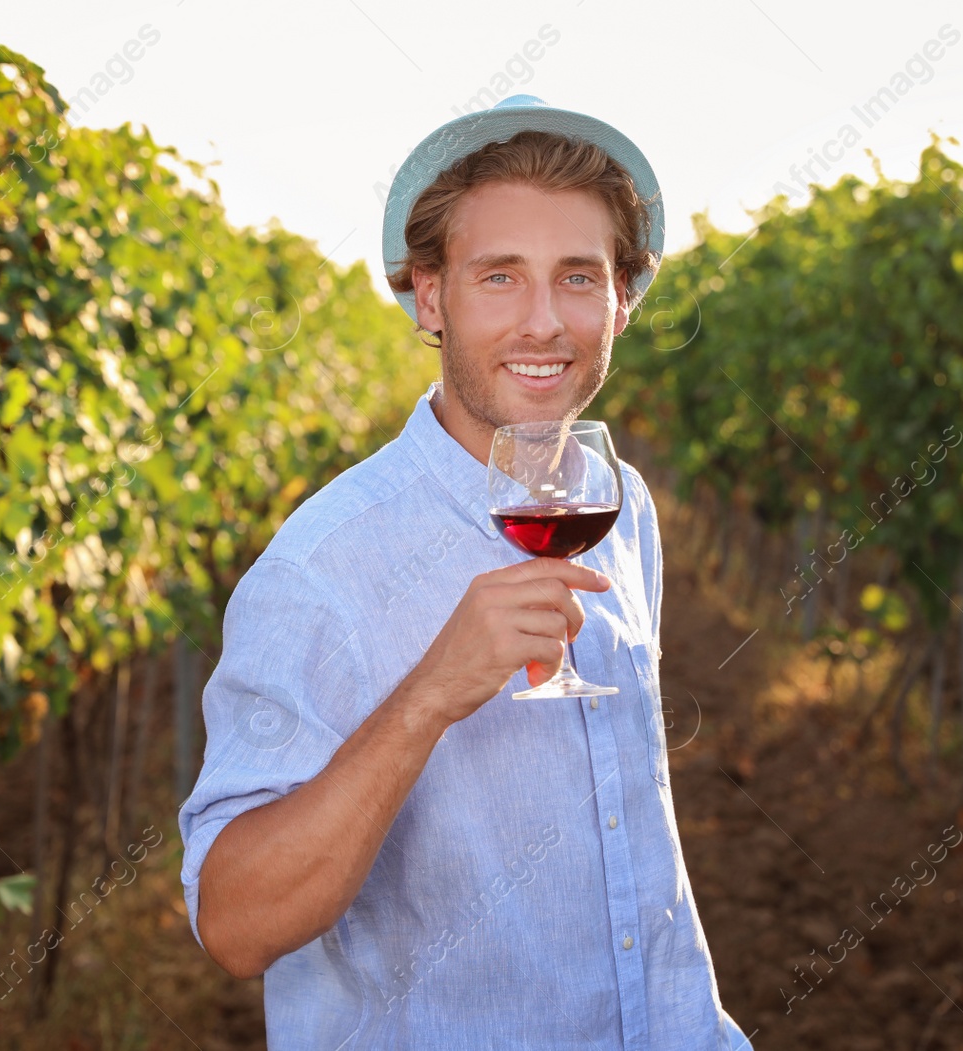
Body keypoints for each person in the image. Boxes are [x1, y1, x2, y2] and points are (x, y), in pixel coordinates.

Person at [178, 94, 752, 1049]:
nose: (544, 322)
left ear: (621, 299)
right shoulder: (324, 567)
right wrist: (431, 695)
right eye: (499, 277)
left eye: (578, 276)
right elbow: (235, 925)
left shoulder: (623, 507)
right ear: (431, 297)